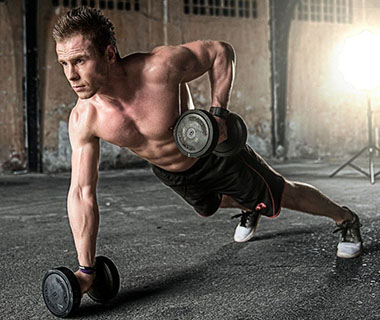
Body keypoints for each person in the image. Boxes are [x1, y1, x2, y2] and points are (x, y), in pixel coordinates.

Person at [52, 7, 363, 295]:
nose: (71, 75)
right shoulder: (84, 119)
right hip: (171, 173)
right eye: (64, 63)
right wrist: (85, 268)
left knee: (279, 193)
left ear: (108, 53)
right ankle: (247, 207)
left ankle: (344, 219)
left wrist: (219, 113)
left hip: (212, 155)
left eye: (80, 60)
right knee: (208, 206)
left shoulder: (159, 68)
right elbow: (81, 193)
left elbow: (220, 52)